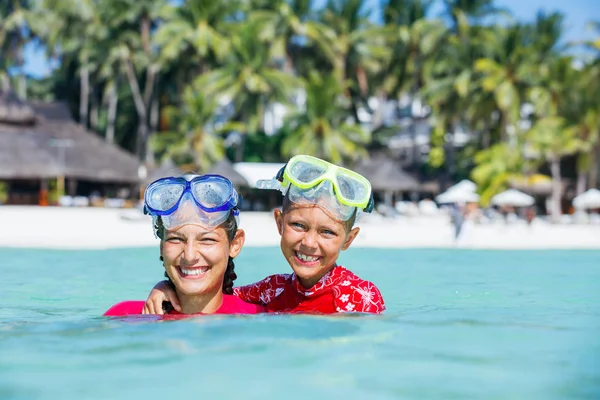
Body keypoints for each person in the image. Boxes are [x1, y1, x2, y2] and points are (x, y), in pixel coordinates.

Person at [143, 155, 385, 315]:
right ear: (279, 223)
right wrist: (167, 287)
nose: (309, 242)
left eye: (327, 232)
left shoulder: (362, 298)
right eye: (298, 226)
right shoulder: (271, 289)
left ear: (349, 240)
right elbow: (213, 293)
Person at [104, 174, 264, 317]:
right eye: (176, 239)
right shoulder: (125, 317)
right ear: (161, 246)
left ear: (235, 244)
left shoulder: (257, 319)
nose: (189, 255)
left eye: (207, 240)